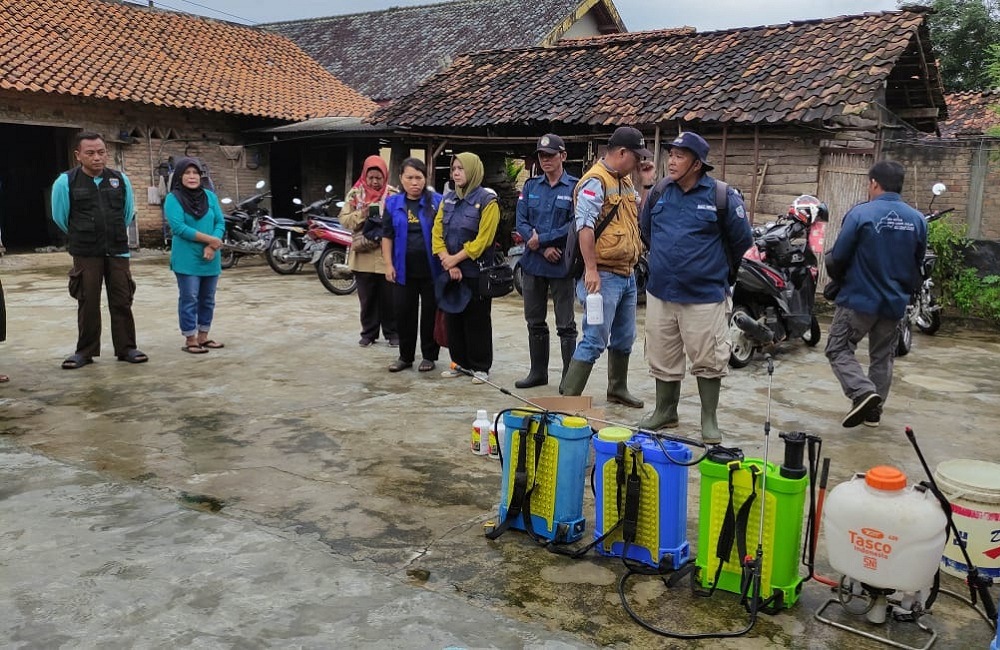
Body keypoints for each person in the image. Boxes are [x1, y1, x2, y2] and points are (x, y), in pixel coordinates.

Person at [637, 132, 753, 444]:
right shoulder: (661, 191)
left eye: (680, 156)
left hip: (703, 295)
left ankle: (708, 418)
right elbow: (646, 229)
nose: (671, 161)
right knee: (662, 353)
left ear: (697, 164)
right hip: (661, 290)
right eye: (670, 154)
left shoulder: (722, 197)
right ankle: (665, 410)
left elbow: (742, 243)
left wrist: (716, 273)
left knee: (709, 357)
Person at [825, 160, 927, 428]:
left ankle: (861, 392)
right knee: (882, 356)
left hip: (858, 299)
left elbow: (839, 256)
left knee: (838, 349)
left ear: (873, 183)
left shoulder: (861, 214)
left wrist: (837, 281)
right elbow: (917, 262)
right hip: (894, 302)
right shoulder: (917, 220)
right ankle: (873, 413)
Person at [559, 127, 651, 407]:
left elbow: (640, 215)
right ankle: (568, 398)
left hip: (626, 273)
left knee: (625, 337)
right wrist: (591, 270)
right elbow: (584, 226)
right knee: (595, 338)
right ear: (622, 153)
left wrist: (646, 184)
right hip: (604, 275)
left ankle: (617, 389)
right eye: (637, 158)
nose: (639, 164)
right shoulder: (595, 181)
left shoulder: (624, 182)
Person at [51, 132, 148, 369]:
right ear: (78, 156)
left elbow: (127, 213)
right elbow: (60, 217)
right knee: (88, 301)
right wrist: (84, 234)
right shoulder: (65, 182)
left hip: (117, 249)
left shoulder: (119, 180)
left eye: (101, 152)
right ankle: (85, 351)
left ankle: (126, 348)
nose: (97, 158)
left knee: (122, 299)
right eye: (90, 153)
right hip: (85, 251)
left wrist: (112, 233)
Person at [513, 134, 579, 388]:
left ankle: (568, 378)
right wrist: (541, 248)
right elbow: (522, 222)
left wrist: (546, 240)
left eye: (550, 155)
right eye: (541, 156)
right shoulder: (530, 187)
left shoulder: (574, 187)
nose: (545, 160)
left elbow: (575, 223)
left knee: (566, 324)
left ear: (563, 156)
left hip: (561, 262)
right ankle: (538, 372)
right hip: (533, 263)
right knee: (534, 321)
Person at [432, 152, 500, 384]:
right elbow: (437, 232)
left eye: (461, 168)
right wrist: (447, 261)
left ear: (473, 170)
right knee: (454, 319)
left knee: (477, 320)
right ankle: (460, 363)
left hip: (476, 272)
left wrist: (455, 259)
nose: (456, 173)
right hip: (451, 270)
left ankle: (481, 367)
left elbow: (483, 240)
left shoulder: (488, 201)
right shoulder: (448, 199)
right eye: (454, 169)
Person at [382, 158, 444, 373]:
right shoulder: (392, 204)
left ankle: (429, 356)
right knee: (404, 313)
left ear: (425, 179)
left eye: (419, 177)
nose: (414, 182)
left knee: (430, 314)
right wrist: (388, 264)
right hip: (402, 270)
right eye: (409, 177)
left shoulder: (437, 202)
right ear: (401, 179)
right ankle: (405, 356)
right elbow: (387, 236)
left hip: (431, 270)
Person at [163, 157, 226, 353]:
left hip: (210, 257)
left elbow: (220, 223)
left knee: (208, 298)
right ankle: (190, 338)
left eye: (195, 173)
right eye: (187, 173)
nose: (192, 177)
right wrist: (210, 241)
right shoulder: (173, 198)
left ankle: (204, 336)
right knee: (189, 297)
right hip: (186, 257)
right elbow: (179, 228)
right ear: (180, 177)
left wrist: (212, 246)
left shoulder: (210, 197)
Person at [341, 155, 398, 347]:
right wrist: (362, 213)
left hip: (385, 257)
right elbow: (344, 220)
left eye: (378, 178)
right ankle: (368, 333)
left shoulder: (393, 195)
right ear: (365, 176)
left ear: (385, 177)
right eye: (371, 177)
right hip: (363, 256)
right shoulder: (355, 195)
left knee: (389, 299)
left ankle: (392, 334)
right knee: (367, 300)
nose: (374, 181)